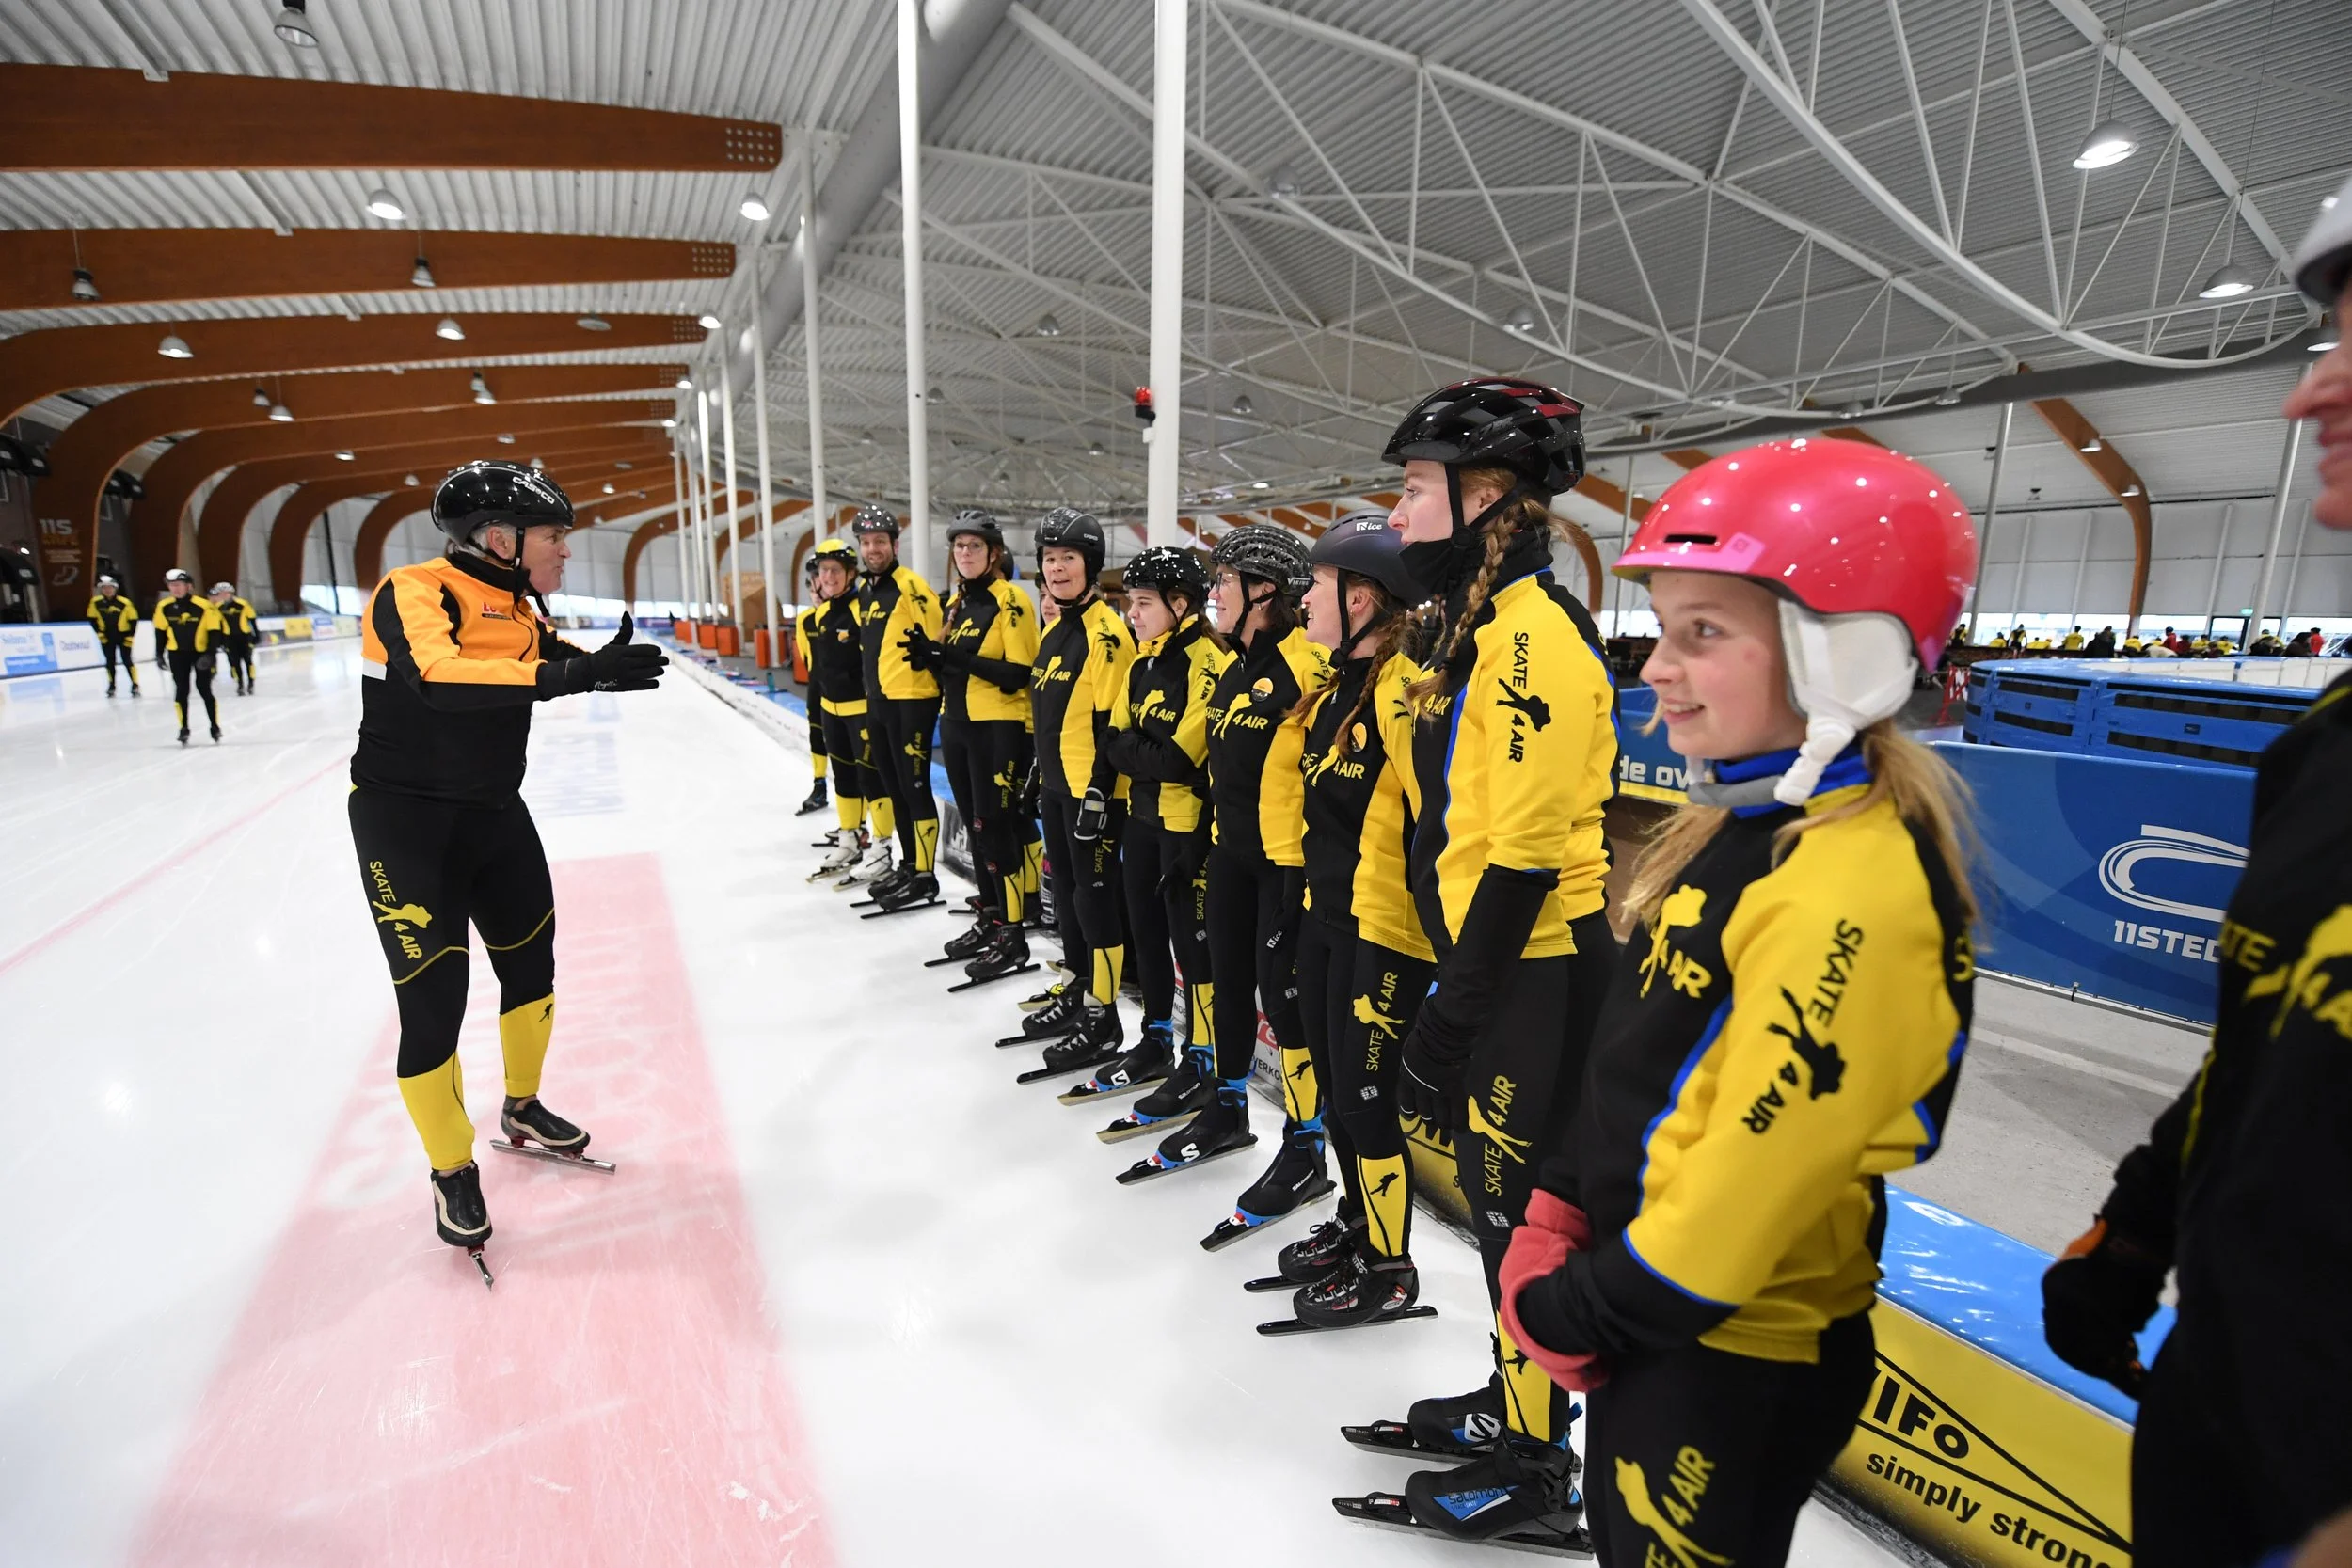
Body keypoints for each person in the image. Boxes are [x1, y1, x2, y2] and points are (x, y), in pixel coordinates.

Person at [1498, 436, 1981, 1567]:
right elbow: (1648, 1054)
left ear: (1844, 660)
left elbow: (1748, 1180)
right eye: (1662, 628)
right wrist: (1560, 1204)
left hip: (1727, 1348)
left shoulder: (1847, 886)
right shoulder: (1746, 831)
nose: (1655, 666)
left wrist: (1587, 1306)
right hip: (1670, 1326)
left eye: (1700, 633)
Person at [2038, 171, 2352, 1568]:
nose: (2306, 398)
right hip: (2227, 1425)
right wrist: (2140, 1221)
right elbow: (2270, 1031)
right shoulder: (2332, 743)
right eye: (2326, 340)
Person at [1363, 377, 1618, 1542]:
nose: (1399, 512)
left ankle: (1541, 1461)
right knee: (1501, 1212)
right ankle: (1515, 1408)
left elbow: (1518, 864)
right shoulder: (1477, 630)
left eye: (1415, 488)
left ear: (1487, 499)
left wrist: (1449, 1019)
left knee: (1524, 1220)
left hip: (1534, 968)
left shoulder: (1531, 642)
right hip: (1498, 963)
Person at [347, 459, 666, 1284]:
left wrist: (596, 660)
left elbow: (543, 651)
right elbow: (441, 677)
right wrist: (570, 674)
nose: (564, 551)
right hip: (407, 828)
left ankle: (521, 1105)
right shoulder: (413, 590)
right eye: (554, 538)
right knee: (434, 1003)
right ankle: (452, 1167)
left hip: (494, 814)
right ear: (500, 538)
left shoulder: (521, 604)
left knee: (533, 963)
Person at [1128, 525, 1332, 1229]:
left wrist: (1307, 883)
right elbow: (1221, 769)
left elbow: (1327, 784)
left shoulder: (1308, 668)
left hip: (1284, 867)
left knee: (1286, 1002)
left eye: (1225, 582)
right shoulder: (1235, 666)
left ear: (1265, 593)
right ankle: (1226, 1105)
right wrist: (1201, 844)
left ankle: (1307, 1149)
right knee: (1219, 977)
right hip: (1230, 856)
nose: (1213, 593)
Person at [1278, 513, 1438, 1328]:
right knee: (1340, 1097)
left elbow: (1435, 821)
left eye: (1319, 585)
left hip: (1386, 931)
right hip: (1329, 916)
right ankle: (1358, 1222)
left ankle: (1392, 1267)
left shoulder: (1405, 693)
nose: (1306, 598)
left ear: (1366, 598)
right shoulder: (1337, 685)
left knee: (1368, 1101)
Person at [1087, 546, 1228, 1116]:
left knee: (1193, 950)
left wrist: (1135, 751)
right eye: (1128, 603)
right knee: (1146, 937)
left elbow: (1178, 759)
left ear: (1181, 603)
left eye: (1143, 603)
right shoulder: (1141, 662)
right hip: (1142, 819)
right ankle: (1156, 1039)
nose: (1133, 615)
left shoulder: (1208, 664)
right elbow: (1112, 738)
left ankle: (1203, 1058)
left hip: (1185, 825)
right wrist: (1139, 753)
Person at [1018, 507, 1136, 1071]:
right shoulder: (1055, 629)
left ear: (1091, 566)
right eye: (1049, 559)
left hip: (1094, 796)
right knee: (1064, 897)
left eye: (1068, 558)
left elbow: (1114, 724)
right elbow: (1050, 713)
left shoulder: (1107, 634)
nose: (1057, 569)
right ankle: (1079, 986)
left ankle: (1103, 1015)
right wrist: (1039, 773)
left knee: (1094, 904)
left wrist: (1098, 793)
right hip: (1059, 786)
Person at [906, 509, 1041, 975]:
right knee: (978, 828)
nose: (965, 554)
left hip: (998, 728)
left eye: (974, 547)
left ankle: (1015, 933)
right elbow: (953, 668)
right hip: (958, 724)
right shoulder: (957, 603)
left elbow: (1019, 674)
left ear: (994, 553)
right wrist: (929, 656)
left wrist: (951, 655)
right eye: (959, 547)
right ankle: (992, 915)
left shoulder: (1012, 601)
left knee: (995, 828)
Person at [849, 502, 946, 909]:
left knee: (915, 786)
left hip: (913, 701)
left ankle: (925, 876)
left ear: (895, 543)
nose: (873, 549)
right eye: (866, 542)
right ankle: (909, 865)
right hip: (880, 701)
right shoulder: (867, 590)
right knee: (895, 788)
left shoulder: (911, 587)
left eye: (880, 542)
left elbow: (936, 643)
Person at [803, 539, 883, 880]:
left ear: (851, 573)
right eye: (823, 571)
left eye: (835, 570)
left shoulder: (861, 607)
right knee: (845, 778)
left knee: (872, 779)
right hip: (829, 709)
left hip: (861, 709)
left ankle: (882, 846)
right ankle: (849, 837)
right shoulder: (821, 613)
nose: (828, 577)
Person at [152, 567, 224, 745]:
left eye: (179, 585)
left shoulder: (204, 606)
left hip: (200, 653)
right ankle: (183, 727)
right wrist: (159, 654)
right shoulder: (164, 607)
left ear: (188, 586)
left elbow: (215, 632)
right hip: (177, 654)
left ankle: (214, 726)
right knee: (181, 691)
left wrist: (210, 654)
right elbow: (160, 631)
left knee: (204, 689)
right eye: (172, 585)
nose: (175, 589)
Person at [792, 549, 830, 816]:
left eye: (820, 583)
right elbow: (807, 657)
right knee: (817, 738)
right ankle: (819, 786)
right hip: (817, 688)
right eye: (812, 583)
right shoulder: (804, 620)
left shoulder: (845, 614)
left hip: (847, 694)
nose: (816, 589)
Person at [86, 573, 140, 697]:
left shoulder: (124, 603)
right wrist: (99, 633)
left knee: (127, 660)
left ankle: (135, 684)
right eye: (105, 588)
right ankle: (112, 685)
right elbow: (92, 619)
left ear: (115, 588)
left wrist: (130, 636)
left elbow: (133, 620)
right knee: (110, 662)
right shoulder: (96, 603)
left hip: (123, 636)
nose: (108, 590)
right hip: (107, 636)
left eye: (110, 588)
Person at [211, 580, 259, 694]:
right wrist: (219, 640)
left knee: (248, 661)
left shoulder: (243, 604)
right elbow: (217, 624)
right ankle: (240, 684)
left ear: (231, 592)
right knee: (235, 662)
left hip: (244, 637)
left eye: (225, 593)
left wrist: (256, 634)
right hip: (229, 638)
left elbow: (252, 619)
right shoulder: (218, 607)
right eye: (221, 593)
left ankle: (251, 683)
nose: (223, 595)